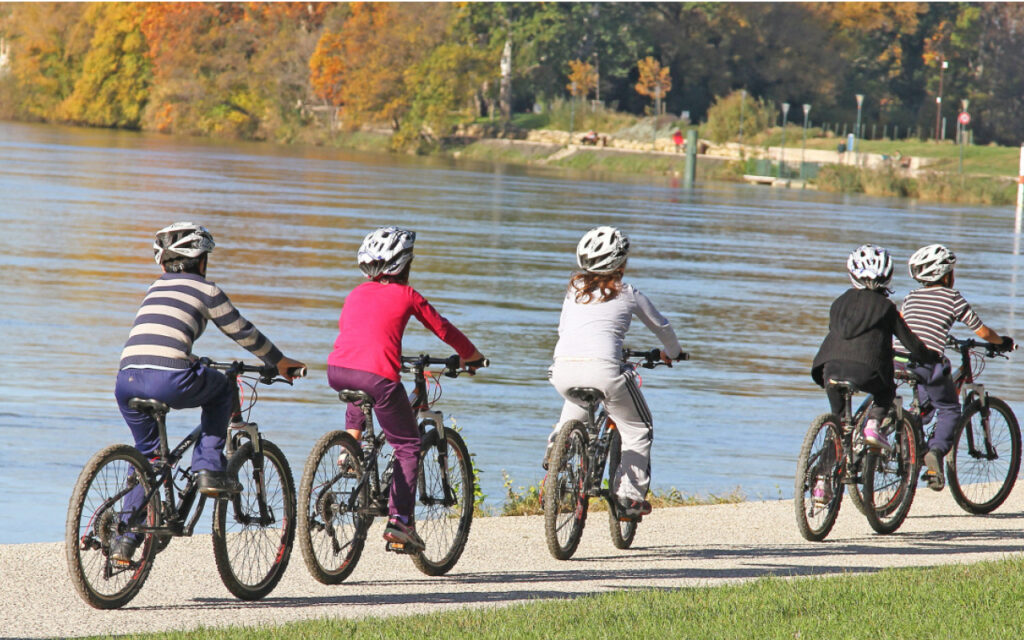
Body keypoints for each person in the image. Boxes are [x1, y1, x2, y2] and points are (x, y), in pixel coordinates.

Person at [112, 222, 305, 564]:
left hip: (126, 380)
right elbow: (241, 331)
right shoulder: (206, 289)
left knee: (149, 457)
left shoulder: (154, 289)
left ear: (163, 265)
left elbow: (160, 338)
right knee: (221, 390)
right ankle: (208, 467)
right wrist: (279, 361)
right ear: (202, 262)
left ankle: (125, 540)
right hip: (168, 378)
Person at [327, 226, 485, 551]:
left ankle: (350, 447)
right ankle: (400, 523)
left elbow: (361, 338)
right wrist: (470, 355)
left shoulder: (355, 294)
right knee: (408, 445)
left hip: (338, 372)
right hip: (378, 378)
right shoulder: (407, 295)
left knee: (362, 383)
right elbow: (442, 328)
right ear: (405, 264)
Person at [547, 226, 684, 519]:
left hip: (562, 369)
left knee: (578, 402)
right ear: (620, 264)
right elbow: (662, 327)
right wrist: (673, 353)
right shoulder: (627, 293)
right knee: (638, 428)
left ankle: (558, 447)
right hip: (605, 371)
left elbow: (564, 330)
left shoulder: (573, 292)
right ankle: (628, 498)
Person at [810, 244, 939, 503]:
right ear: (888, 276)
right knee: (886, 391)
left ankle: (822, 483)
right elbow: (910, 342)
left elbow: (841, 334)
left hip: (829, 367)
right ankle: (873, 425)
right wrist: (931, 357)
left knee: (838, 423)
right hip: (868, 369)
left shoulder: (839, 302)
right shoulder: (887, 307)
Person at [898, 244, 1014, 490]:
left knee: (923, 406)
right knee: (950, 407)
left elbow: (914, 327)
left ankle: (905, 439)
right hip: (927, 361)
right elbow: (982, 331)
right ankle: (935, 454)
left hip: (898, 359)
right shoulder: (953, 298)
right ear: (947, 275)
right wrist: (1002, 342)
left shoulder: (910, 297)